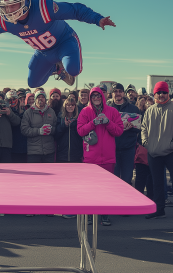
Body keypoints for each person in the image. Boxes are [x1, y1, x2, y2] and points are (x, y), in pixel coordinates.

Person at [0, 0, 116, 87]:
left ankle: (63, 67)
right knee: (33, 83)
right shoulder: (4, 21)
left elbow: (75, 10)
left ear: (25, 1)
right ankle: (56, 68)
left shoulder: (44, 8)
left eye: (13, 5)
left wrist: (97, 19)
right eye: (5, 6)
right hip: (44, 51)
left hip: (64, 42)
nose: (9, 11)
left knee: (73, 69)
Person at [141, 81, 173, 222]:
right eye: (158, 92)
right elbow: (143, 129)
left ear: (168, 93)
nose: (161, 95)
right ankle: (159, 210)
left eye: (163, 92)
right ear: (154, 94)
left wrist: (172, 146)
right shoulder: (150, 110)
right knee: (156, 183)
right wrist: (147, 144)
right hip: (153, 153)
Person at [77, 86, 123, 226]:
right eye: (93, 96)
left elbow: (119, 131)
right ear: (90, 98)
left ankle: (105, 215)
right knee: (91, 188)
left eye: (98, 96)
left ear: (102, 96)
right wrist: (93, 123)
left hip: (108, 157)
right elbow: (80, 131)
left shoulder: (112, 111)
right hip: (91, 157)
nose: (96, 98)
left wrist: (107, 122)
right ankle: (90, 214)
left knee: (107, 188)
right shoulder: (85, 112)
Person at [107, 83, 140, 185]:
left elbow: (139, 128)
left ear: (123, 93)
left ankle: (128, 200)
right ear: (112, 94)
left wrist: (131, 126)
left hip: (128, 149)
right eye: (115, 91)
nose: (118, 94)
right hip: (112, 149)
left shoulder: (133, 109)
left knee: (127, 179)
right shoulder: (107, 108)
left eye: (120, 91)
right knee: (113, 180)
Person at [21, 90, 57, 163]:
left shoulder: (51, 111)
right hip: (34, 152)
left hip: (49, 151)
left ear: (45, 99)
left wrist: (51, 130)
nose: (40, 99)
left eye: (43, 97)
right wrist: (39, 131)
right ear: (35, 99)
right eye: (38, 97)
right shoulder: (28, 112)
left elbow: (56, 128)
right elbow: (24, 130)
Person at [55, 96, 83, 163]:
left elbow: (81, 135)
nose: (70, 107)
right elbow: (56, 134)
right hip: (62, 154)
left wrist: (74, 125)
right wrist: (64, 125)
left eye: (72, 105)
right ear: (65, 106)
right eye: (68, 105)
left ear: (75, 106)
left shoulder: (79, 118)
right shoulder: (60, 117)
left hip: (76, 155)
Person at [6, 90, 27, 163]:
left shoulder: (24, 111)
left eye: (14, 99)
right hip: (11, 146)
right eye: (9, 100)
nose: (12, 101)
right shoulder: (5, 113)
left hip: (24, 146)